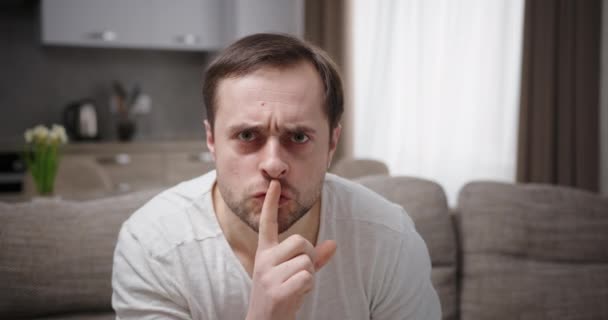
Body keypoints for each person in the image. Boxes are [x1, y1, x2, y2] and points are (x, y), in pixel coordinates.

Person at [112, 33, 441, 320]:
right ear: (211, 140)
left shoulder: (389, 238)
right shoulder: (152, 244)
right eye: (246, 136)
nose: (273, 164)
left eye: (298, 138)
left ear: (332, 143)